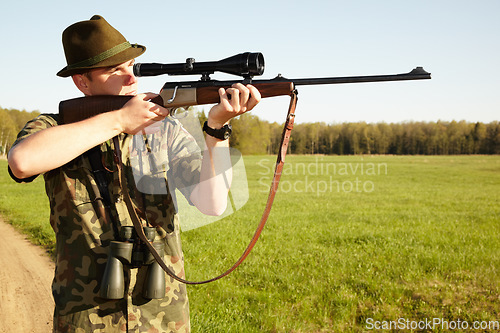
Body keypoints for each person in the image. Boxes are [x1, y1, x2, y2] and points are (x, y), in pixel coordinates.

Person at [7, 15, 260, 332]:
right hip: (87, 318)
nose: (131, 78)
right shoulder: (55, 127)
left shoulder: (165, 129)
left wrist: (216, 129)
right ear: (82, 82)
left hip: (162, 317)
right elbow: (21, 162)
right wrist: (118, 122)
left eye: (132, 66)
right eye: (115, 70)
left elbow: (212, 203)